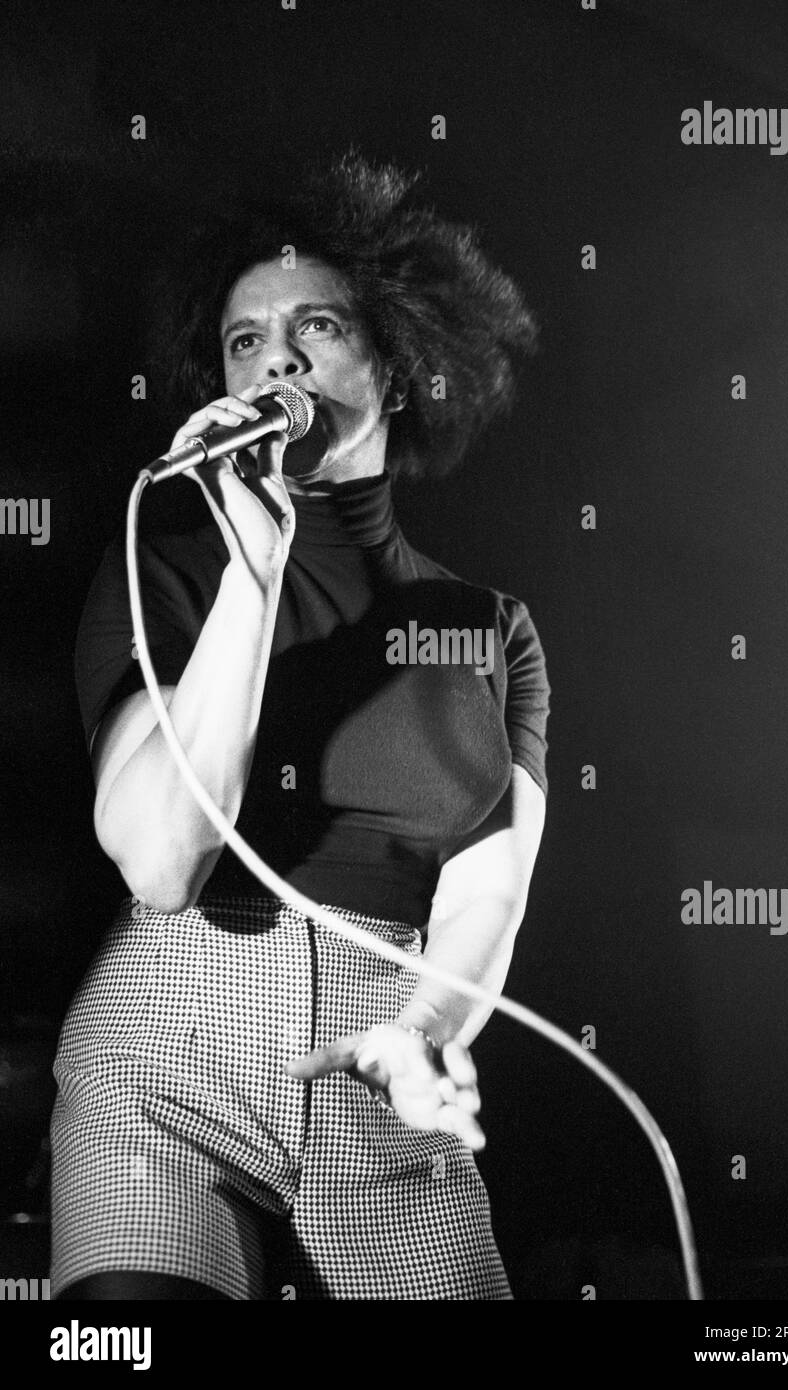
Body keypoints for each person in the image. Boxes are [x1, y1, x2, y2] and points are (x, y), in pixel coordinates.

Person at [51, 153, 550, 1301]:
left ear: (400, 360)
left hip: (382, 1059)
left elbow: (488, 890)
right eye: (243, 341)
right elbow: (162, 858)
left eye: (315, 325)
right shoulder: (161, 569)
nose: (275, 356)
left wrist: (427, 1028)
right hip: (171, 1051)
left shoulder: (489, 626)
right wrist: (254, 569)